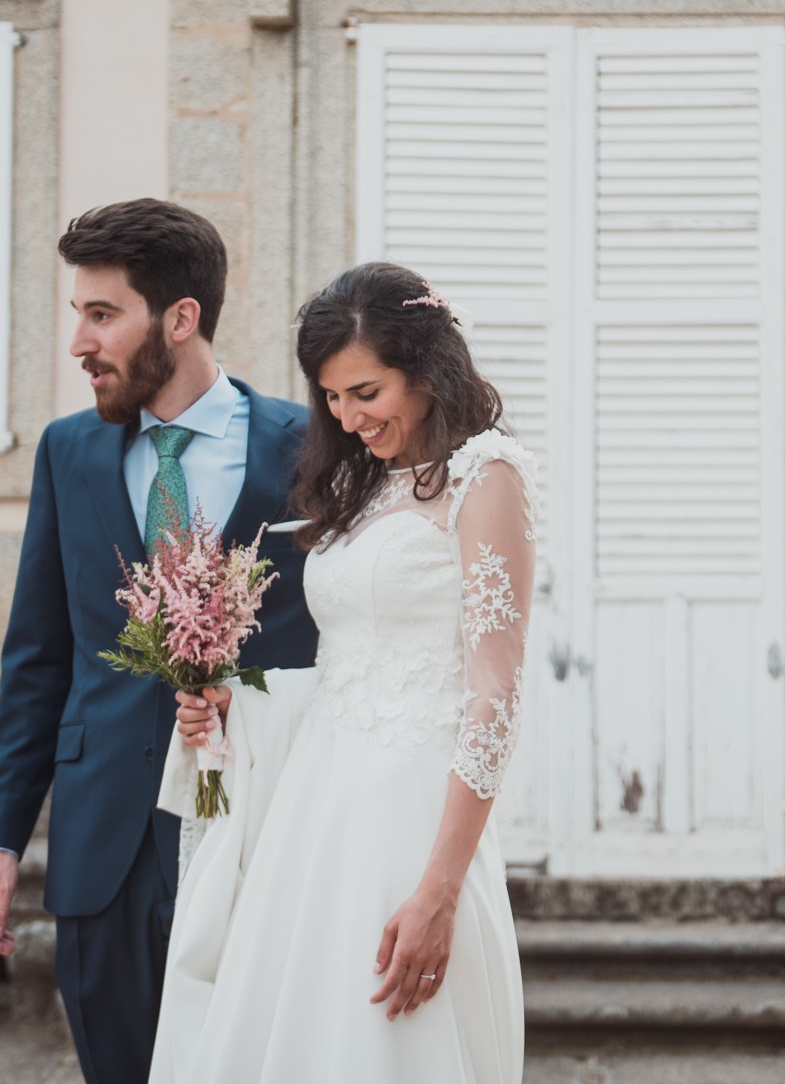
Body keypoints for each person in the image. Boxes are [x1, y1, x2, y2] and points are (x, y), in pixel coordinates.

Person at [0, 199, 318, 1084]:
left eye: (101, 313)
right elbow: (39, 657)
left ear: (181, 318)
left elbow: (342, 640)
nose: (80, 341)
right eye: (78, 314)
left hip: (260, 831)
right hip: (103, 843)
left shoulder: (312, 446)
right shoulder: (67, 452)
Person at [150, 261, 532, 1084]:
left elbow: (495, 691)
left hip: (412, 818)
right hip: (313, 811)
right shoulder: (361, 485)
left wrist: (440, 889)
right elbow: (343, 667)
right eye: (331, 395)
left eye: (367, 391)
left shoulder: (486, 476)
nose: (348, 416)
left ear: (426, 370)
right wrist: (235, 701)